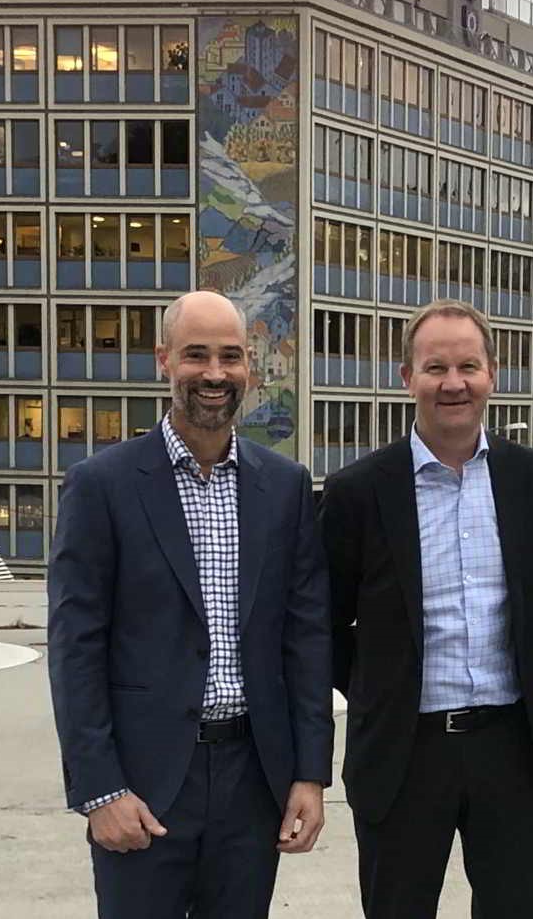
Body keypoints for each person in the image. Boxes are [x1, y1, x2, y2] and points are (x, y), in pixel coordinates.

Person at [48, 291, 333, 919]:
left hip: (253, 781)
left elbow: (306, 638)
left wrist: (311, 774)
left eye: (230, 357)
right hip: (143, 784)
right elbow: (76, 650)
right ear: (163, 361)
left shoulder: (284, 488)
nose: (214, 373)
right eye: (196, 355)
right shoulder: (101, 486)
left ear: (250, 368)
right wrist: (100, 790)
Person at [321, 299, 533, 919]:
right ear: (407, 378)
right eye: (435, 368)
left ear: (492, 374)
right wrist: (382, 685)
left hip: (508, 747)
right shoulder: (358, 491)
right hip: (404, 753)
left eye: (468, 366)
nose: (453, 384)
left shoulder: (530, 476)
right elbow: (324, 620)